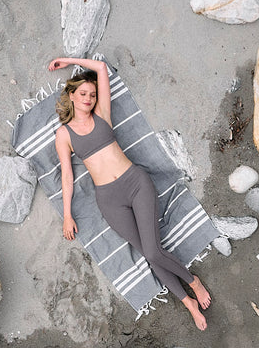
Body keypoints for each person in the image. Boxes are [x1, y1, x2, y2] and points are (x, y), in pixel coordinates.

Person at [49, 56, 211, 330]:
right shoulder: (64, 135)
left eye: (92, 94)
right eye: (83, 94)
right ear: (72, 96)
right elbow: (67, 175)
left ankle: (193, 281)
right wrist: (67, 214)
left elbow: (100, 68)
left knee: (153, 250)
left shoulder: (102, 115)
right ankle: (187, 301)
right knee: (150, 254)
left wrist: (67, 60)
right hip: (110, 201)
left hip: (136, 183)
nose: (89, 98)